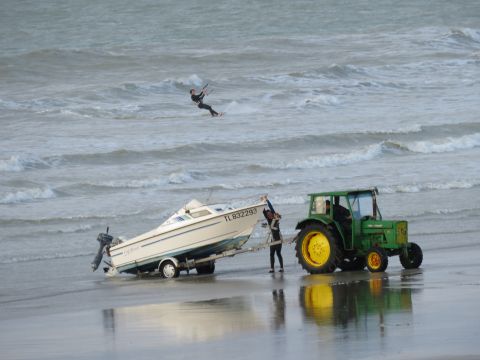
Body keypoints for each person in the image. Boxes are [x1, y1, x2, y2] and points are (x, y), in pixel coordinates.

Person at [261, 195, 284, 273]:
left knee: (278, 253)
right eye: (268, 215)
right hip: (272, 240)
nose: (269, 215)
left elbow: (271, 208)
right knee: (271, 254)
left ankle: (281, 268)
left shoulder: (275, 218)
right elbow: (263, 210)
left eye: (270, 213)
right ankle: (272, 268)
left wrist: (267, 200)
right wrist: (262, 202)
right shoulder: (268, 220)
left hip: (278, 239)